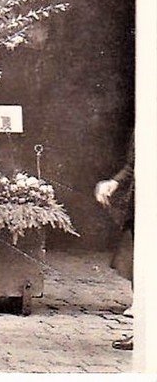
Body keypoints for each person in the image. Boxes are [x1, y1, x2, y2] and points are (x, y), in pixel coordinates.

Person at [95, 134, 134, 350]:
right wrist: (115, 182)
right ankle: (145, 332)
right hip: (142, 205)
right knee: (141, 262)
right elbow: (133, 165)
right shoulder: (145, 125)